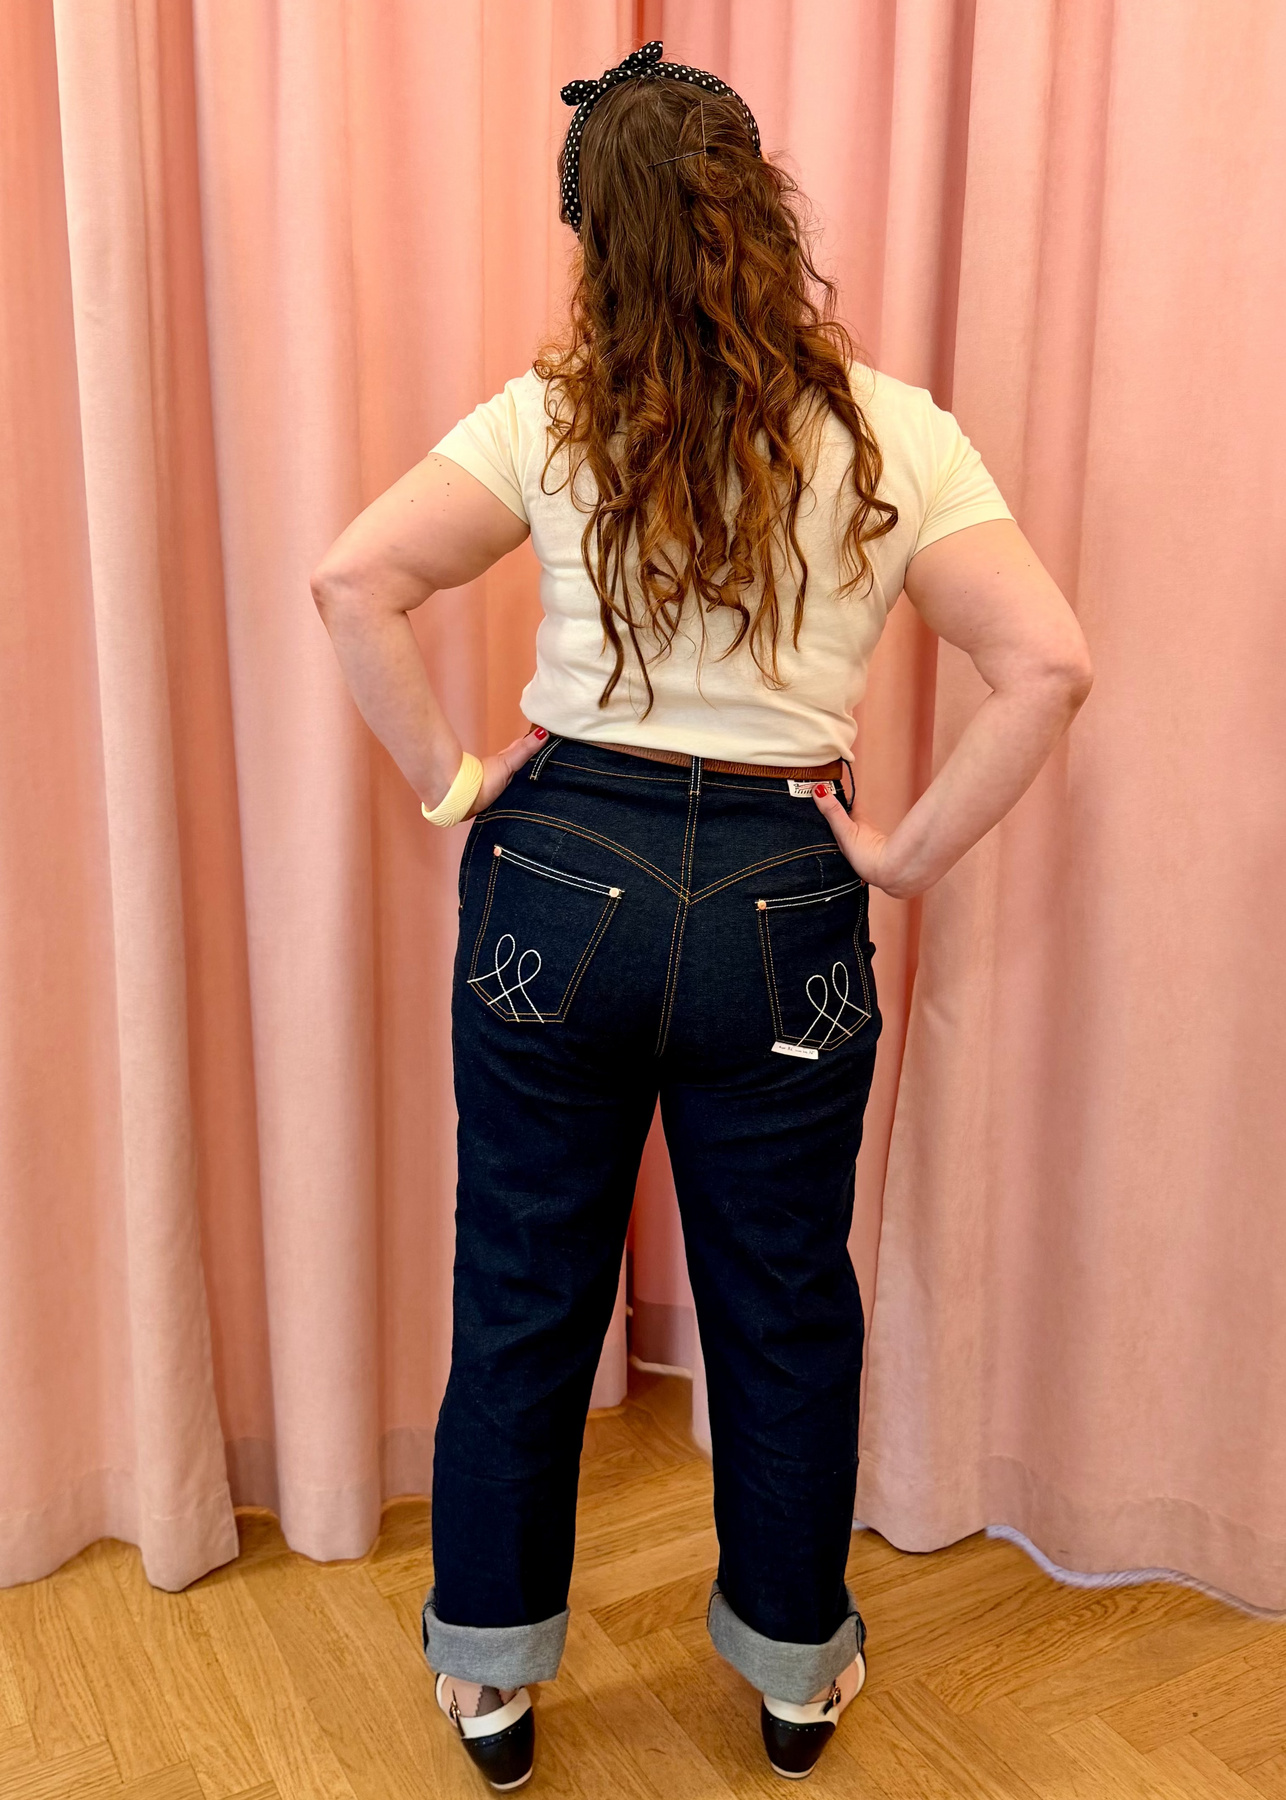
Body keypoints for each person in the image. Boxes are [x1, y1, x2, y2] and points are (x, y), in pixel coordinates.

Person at [311, 40, 1092, 1790]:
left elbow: (352, 578)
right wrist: (899, 858)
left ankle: (490, 1681)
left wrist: (453, 782)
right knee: (782, 1303)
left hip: (558, 878)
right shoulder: (894, 430)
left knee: (523, 1290)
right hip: (783, 897)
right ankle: (798, 1675)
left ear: (593, 237)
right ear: (761, 208)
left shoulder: (545, 416)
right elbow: (1045, 664)